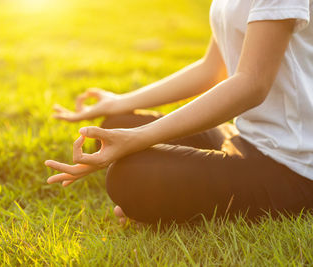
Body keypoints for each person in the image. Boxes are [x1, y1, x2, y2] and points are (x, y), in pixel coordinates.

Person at [45, 0, 313, 225]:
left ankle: (157, 201)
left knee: (127, 177)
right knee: (120, 122)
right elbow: (212, 70)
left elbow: (251, 83)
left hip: (292, 163)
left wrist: (139, 138)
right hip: (247, 138)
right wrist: (118, 102)